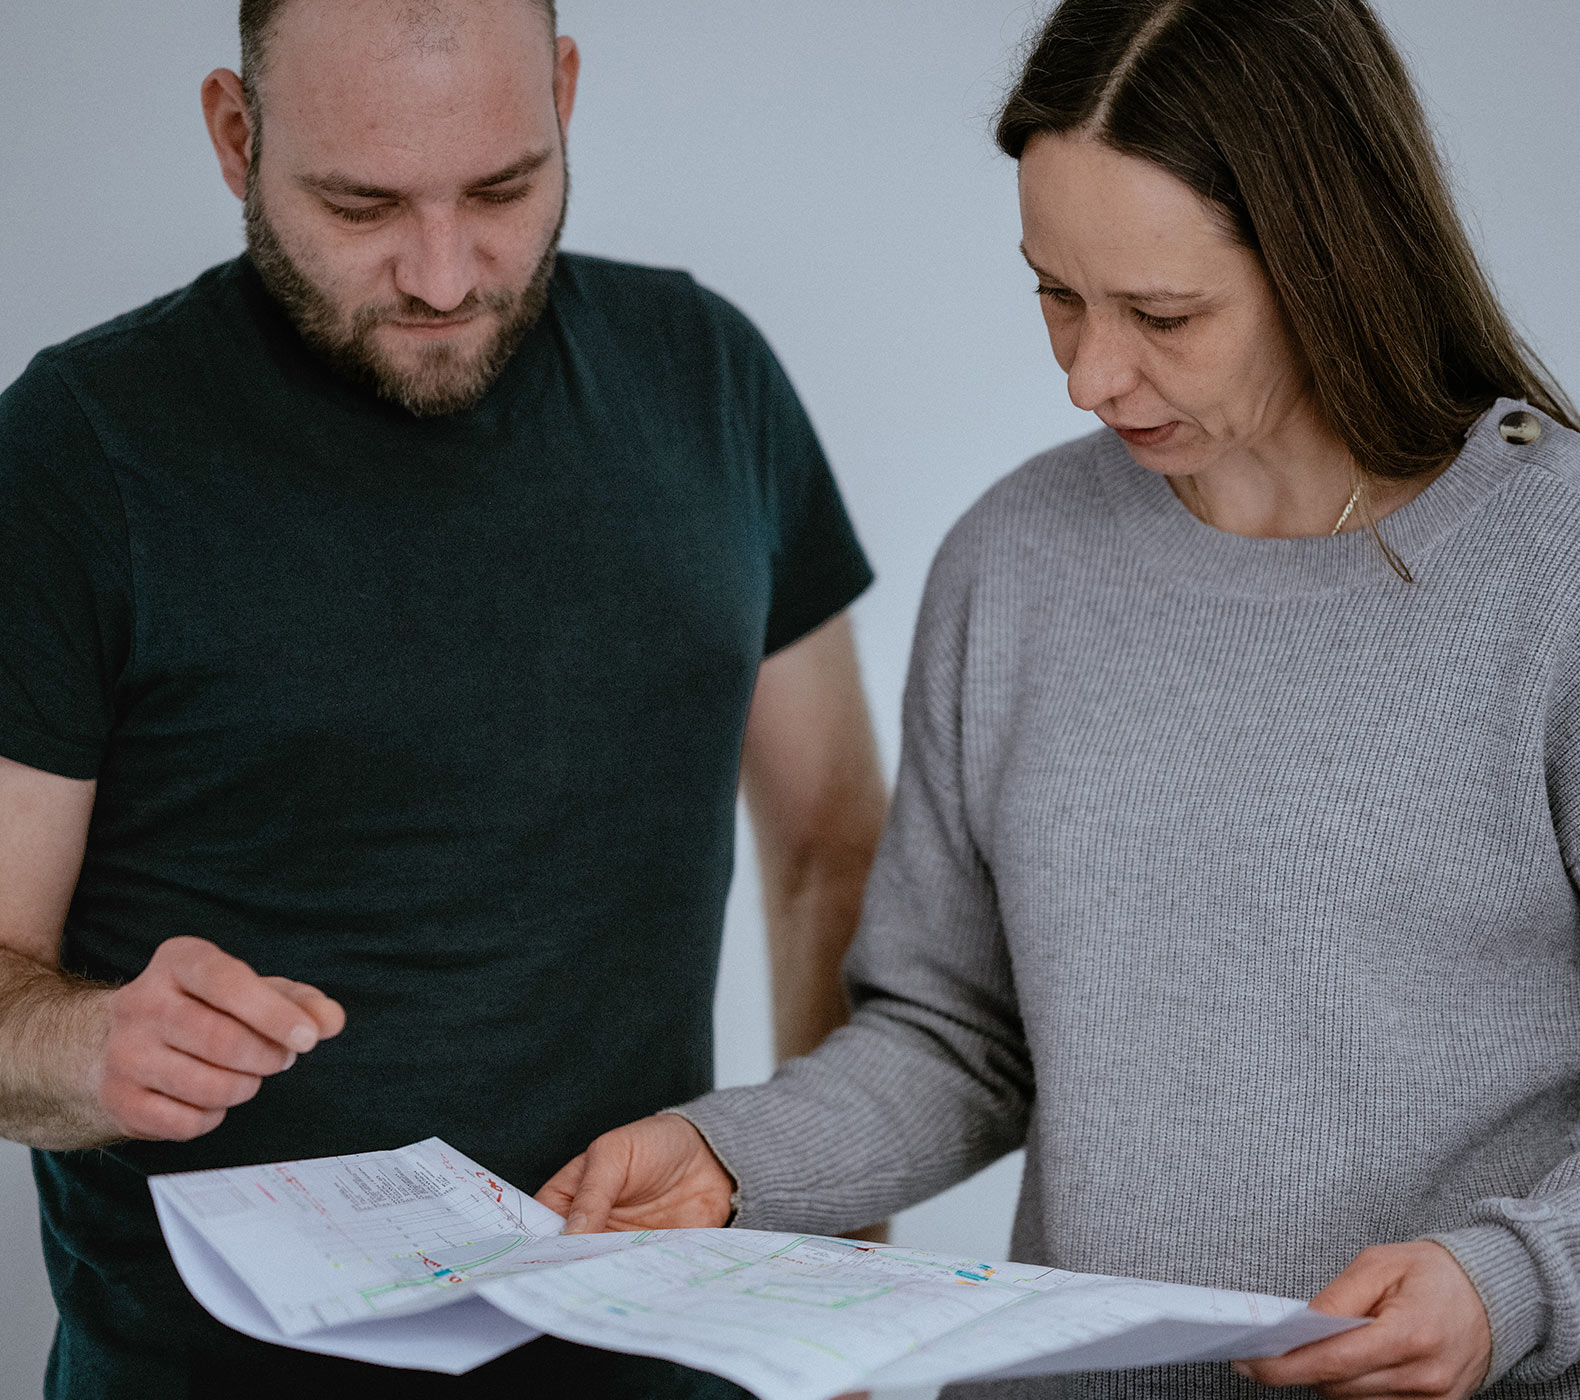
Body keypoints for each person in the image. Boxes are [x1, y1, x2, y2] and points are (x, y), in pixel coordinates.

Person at [539, 1, 1580, 1397]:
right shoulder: (1014, 561)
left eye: (1163, 315)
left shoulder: (1552, 569)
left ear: (1335, 262)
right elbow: (958, 1037)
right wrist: (734, 1160)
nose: (1090, 375)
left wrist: (1512, 1282)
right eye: (1054, 293)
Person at [0, 0, 887, 1395]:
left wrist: (837, 1282)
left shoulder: (707, 374)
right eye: (361, 206)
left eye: (502, 191)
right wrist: (84, 1047)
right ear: (236, 136)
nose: (440, 275)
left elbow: (833, 846)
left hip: (665, 1364)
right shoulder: (74, 451)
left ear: (564, 97)